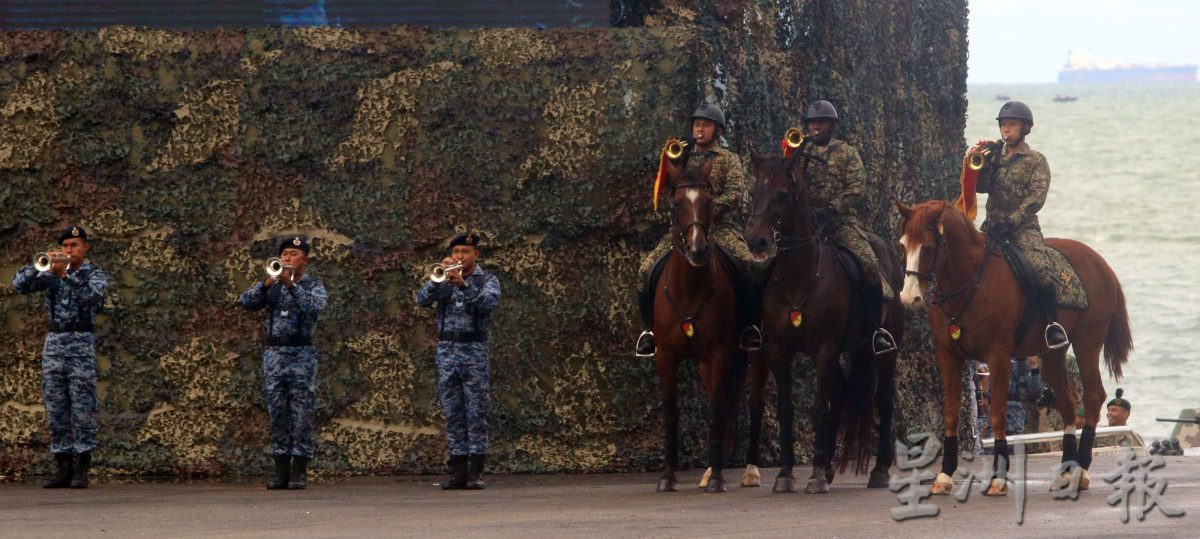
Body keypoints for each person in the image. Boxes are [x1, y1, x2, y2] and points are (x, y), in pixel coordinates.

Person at [635, 103, 763, 357]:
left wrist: (709, 211)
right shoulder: (681, 156)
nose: (700, 129)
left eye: (706, 124)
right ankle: (648, 331)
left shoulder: (728, 159)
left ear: (718, 130)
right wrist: (671, 160)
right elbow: (667, 192)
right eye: (697, 124)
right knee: (645, 270)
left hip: (720, 227)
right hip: (684, 229)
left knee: (749, 265)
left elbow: (737, 193)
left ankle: (750, 326)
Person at [12, 226, 107, 489]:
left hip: (80, 344)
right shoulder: (51, 273)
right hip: (53, 345)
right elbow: (19, 285)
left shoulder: (94, 274)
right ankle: (62, 467)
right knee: (55, 407)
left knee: (83, 407)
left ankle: (82, 467)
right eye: (65, 246)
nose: (68, 251)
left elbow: (92, 300)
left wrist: (66, 276)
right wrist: (41, 266)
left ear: (85, 247)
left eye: (74, 245)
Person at [799, 100, 895, 354]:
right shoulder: (800, 152)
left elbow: (856, 188)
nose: (816, 127)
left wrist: (832, 208)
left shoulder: (846, 153)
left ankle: (877, 330)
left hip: (839, 223)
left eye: (821, 122)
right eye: (812, 123)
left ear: (832, 125)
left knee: (870, 265)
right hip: (806, 225)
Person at [976, 101, 1069, 350]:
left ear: (1025, 128)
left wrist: (1012, 220)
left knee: (1040, 269)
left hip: (1022, 227)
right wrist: (984, 165)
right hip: (992, 225)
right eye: (1003, 125)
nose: (1006, 130)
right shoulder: (995, 155)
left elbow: (1036, 198)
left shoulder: (1036, 160)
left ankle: (1052, 326)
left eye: (1012, 125)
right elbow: (981, 188)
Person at [240, 236, 328, 490]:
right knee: (277, 411)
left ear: (305, 260)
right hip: (275, 353)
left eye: (293, 254)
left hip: (302, 354)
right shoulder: (272, 286)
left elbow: (314, 306)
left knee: (302, 413)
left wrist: (292, 286)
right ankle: (280, 469)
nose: (287, 258)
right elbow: (247, 302)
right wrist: (267, 284)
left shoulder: (313, 285)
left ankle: (299, 469)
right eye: (284, 254)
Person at [417, 232, 501, 490]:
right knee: (452, 413)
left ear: (476, 255)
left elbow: (488, 303)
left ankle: (476, 473)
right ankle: (458, 472)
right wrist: (437, 280)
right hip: (447, 352)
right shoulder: (445, 279)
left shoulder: (487, 279)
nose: (460, 257)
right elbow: (422, 300)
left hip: (473, 350)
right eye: (456, 253)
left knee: (476, 412)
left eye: (465, 252)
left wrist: (464, 284)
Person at [1005, 356, 1044, 435]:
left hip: (1016, 420)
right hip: (994, 419)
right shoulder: (993, 356)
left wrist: (1034, 366)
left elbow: (1036, 391)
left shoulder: (1023, 362)